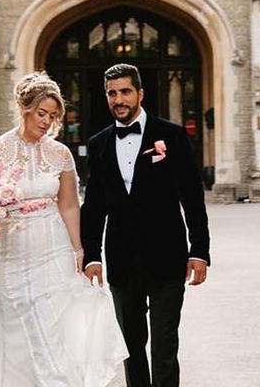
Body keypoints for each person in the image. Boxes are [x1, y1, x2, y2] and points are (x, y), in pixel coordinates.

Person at [0, 71, 127, 387]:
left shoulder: (60, 154)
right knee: (13, 330)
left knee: (53, 328)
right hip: (8, 252)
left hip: (51, 248)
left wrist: (80, 249)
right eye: (42, 113)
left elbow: (69, 204)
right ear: (25, 108)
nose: (47, 121)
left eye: (54, 116)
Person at [80, 63, 211, 387]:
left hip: (167, 257)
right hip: (122, 261)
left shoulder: (173, 136)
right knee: (131, 346)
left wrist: (200, 251)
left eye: (125, 92)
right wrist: (92, 255)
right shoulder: (98, 143)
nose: (118, 99)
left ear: (140, 93)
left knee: (165, 344)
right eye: (112, 93)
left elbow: (192, 200)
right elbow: (94, 205)